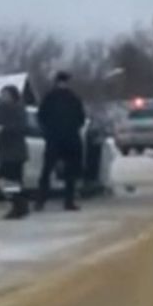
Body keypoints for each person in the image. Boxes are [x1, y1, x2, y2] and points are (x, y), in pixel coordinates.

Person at [36, 72, 87, 212]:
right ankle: (68, 201)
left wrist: (48, 132)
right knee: (69, 173)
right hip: (70, 139)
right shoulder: (73, 98)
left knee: (47, 170)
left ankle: (41, 201)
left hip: (55, 139)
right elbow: (81, 118)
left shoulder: (50, 97)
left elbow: (41, 117)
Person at [0, 85, 30, 219]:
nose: (2, 97)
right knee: (6, 181)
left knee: (9, 180)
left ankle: (18, 205)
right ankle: (20, 205)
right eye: (2, 94)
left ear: (12, 95)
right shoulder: (0, 108)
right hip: (4, 151)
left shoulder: (19, 108)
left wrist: (4, 129)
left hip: (16, 151)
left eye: (5, 94)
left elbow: (22, 127)